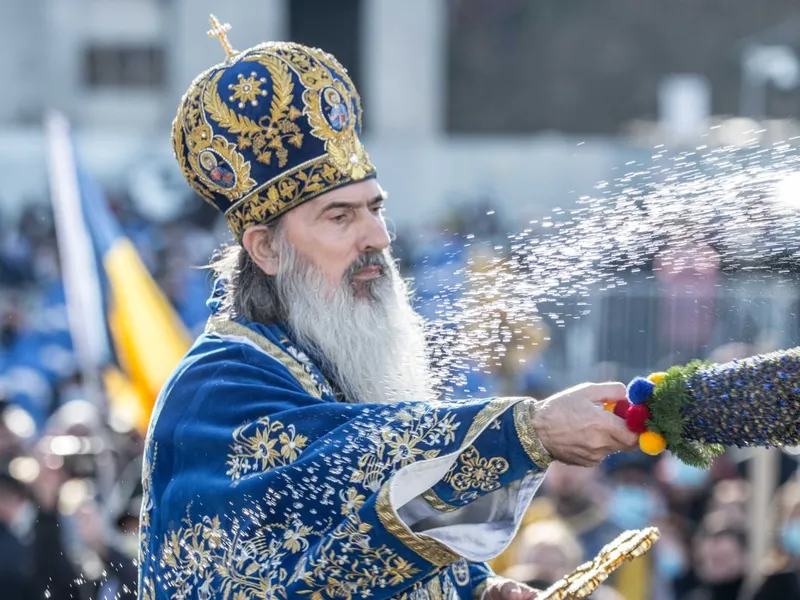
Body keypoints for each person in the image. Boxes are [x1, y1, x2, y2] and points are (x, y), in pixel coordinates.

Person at [138, 16, 639, 600]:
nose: (378, 235)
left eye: (375, 207)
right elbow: (343, 458)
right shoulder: (219, 385)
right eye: (340, 216)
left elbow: (365, 536)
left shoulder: (336, 363)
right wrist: (528, 430)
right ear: (267, 248)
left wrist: (477, 589)